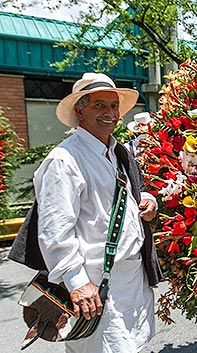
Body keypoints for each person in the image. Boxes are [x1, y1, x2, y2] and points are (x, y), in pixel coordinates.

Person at [32, 72, 164, 353]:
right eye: (99, 106)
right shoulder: (64, 159)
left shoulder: (116, 151)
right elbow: (55, 231)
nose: (110, 113)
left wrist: (147, 201)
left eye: (114, 106)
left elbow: (121, 196)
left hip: (130, 281)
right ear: (79, 110)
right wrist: (77, 283)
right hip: (95, 286)